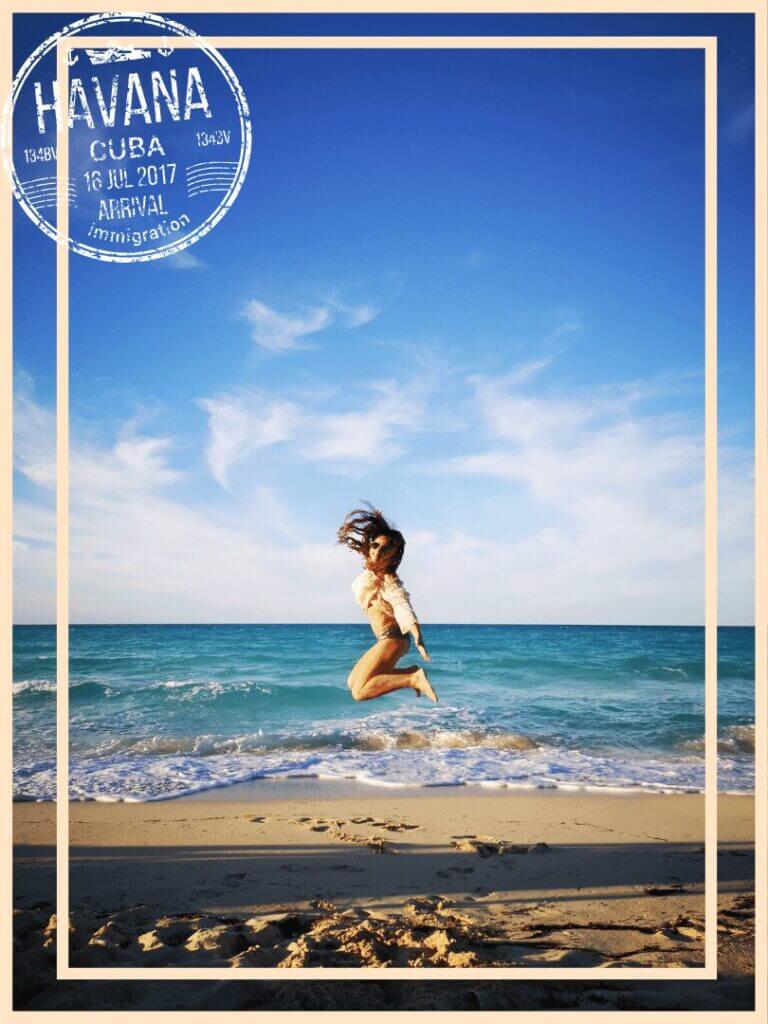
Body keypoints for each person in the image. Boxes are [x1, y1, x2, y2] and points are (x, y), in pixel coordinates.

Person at [337, 502, 438, 703]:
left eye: (384, 550)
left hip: (394, 638)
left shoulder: (388, 578)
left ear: (390, 555)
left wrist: (417, 634)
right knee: (352, 682)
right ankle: (410, 673)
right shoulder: (371, 571)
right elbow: (369, 556)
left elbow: (402, 604)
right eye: (375, 546)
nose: (377, 552)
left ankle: (413, 678)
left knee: (360, 692)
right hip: (386, 638)